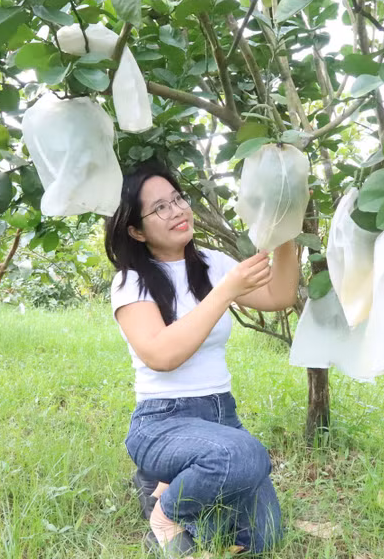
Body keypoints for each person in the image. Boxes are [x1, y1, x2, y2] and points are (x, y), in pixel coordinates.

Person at [105, 165, 300, 557]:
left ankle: (164, 484)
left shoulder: (212, 263)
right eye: (160, 207)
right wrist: (224, 292)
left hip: (220, 417)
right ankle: (166, 512)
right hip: (163, 421)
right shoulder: (131, 281)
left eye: (178, 199)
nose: (177, 210)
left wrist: (285, 232)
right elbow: (162, 355)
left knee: (265, 537)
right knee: (244, 455)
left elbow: (279, 296)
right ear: (136, 231)